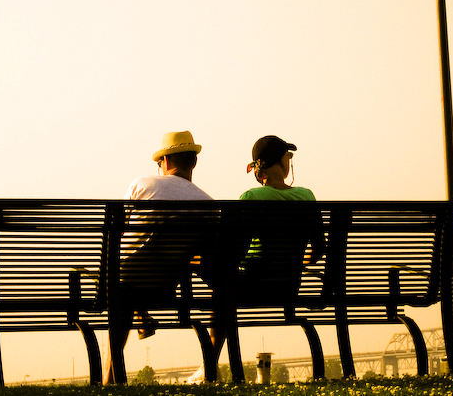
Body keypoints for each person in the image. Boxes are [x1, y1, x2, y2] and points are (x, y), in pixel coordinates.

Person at [187, 135, 325, 384]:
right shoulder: (307, 197)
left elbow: (236, 253)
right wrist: (293, 266)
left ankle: (209, 366)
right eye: (287, 157)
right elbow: (318, 249)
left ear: (258, 167)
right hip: (289, 287)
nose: (289, 162)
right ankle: (209, 366)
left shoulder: (252, 198)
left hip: (250, 286)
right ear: (280, 162)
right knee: (221, 284)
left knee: (213, 280)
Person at [103, 130, 212, 385]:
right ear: (193, 162)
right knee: (149, 265)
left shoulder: (142, 184)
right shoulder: (207, 203)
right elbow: (207, 252)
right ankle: (142, 314)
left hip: (124, 283)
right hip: (166, 286)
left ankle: (110, 376)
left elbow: (122, 230)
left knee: (123, 275)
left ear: (164, 162)